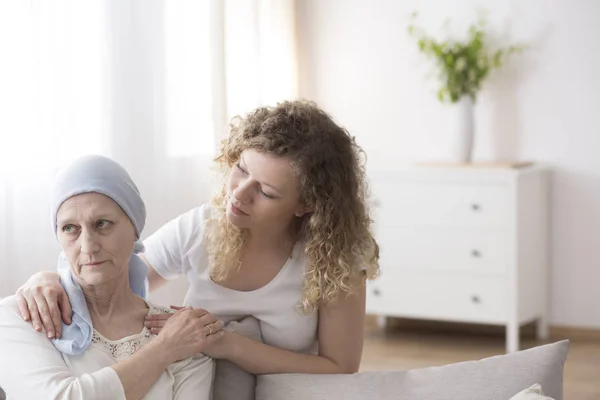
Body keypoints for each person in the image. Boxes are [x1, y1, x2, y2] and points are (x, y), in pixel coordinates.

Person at [15, 100, 380, 375]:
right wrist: (48, 277)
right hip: (199, 378)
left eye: (266, 192)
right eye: (240, 170)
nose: (238, 194)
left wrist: (229, 344)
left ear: (306, 204)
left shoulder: (337, 256)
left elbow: (339, 367)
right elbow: (113, 272)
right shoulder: (204, 226)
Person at [0, 155, 222, 399]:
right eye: (69, 228)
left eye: (102, 224)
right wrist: (164, 349)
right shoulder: (21, 314)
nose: (88, 246)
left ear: (135, 229)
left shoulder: (184, 333)